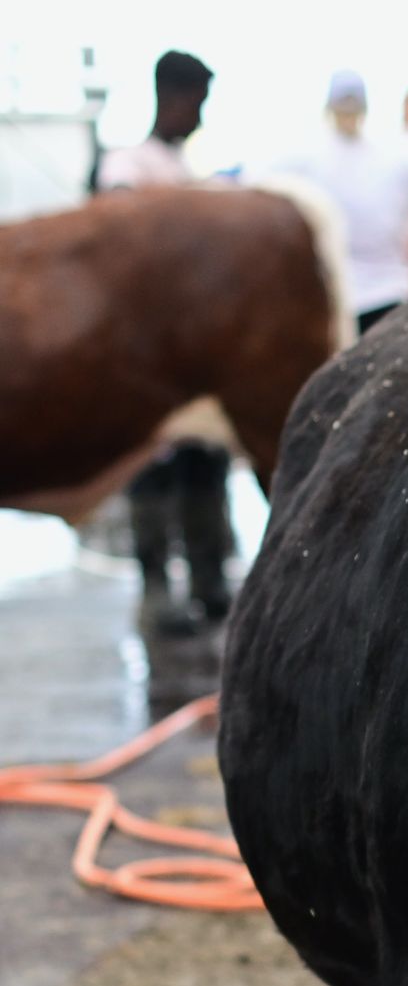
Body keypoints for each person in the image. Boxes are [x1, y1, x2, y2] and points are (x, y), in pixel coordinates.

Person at [97, 51, 234, 630]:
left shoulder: (189, 171)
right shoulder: (128, 164)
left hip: (194, 350)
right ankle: (156, 588)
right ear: (171, 96)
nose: (198, 117)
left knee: (205, 461)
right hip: (146, 349)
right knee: (152, 462)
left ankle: (209, 579)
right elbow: (122, 224)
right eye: (194, 103)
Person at [281, 69, 408, 334]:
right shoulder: (303, 155)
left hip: (391, 290)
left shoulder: (400, 152)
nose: (348, 113)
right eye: (343, 105)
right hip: (331, 294)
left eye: (353, 105)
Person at [96, 47, 213, 191]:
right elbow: (117, 203)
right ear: (169, 98)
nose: (198, 120)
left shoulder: (180, 165)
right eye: (195, 107)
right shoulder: (126, 161)